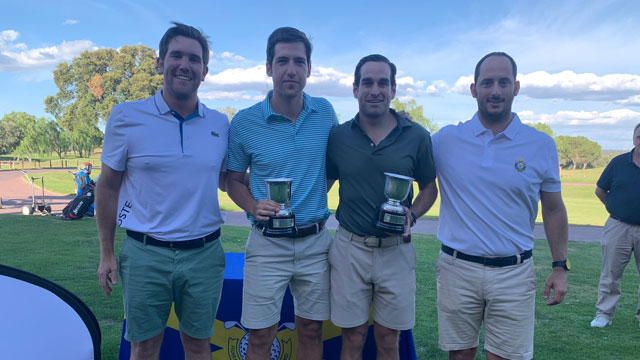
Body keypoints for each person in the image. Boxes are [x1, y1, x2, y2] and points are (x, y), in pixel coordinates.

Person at [96, 22, 228, 360]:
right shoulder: (126, 117)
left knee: (199, 344)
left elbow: (230, 181)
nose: (185, 64)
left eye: (194, 59)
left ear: (205, 71)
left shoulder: (219, 124)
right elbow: (108, 187)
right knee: (144, 346)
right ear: (160, 63)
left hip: (204, 253)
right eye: (176, 55)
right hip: (145, 253)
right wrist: (107, 253)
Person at [431, 52, 569, 360]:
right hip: (457, 268)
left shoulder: (541, 144)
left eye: (503, 82)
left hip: (514, 272)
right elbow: (407, 154)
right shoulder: (446, 139)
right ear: (473, 89)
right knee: (460, 355)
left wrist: (560, 266)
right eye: (487, 82)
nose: (495, 90)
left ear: (516, 87)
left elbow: (554, 209)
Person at [225, 27, 337, 360]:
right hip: (266, 243)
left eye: (299, 62)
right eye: (283, 60)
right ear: (269, 67)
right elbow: (232, 180)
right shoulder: (245, 122)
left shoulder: (326, 113)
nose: (291, 69)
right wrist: (253, 204)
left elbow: (335, 165)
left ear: (309, 69)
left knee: (312, 330)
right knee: (260, 335)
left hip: (316, 243)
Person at [326, 54, 437, 360]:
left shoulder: (416, 136)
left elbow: (429, 188)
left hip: (396, 250)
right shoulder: (337, 136)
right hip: (350, 248)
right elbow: (322, 183)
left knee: (389, 338)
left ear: (393, 89)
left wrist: (411, 215)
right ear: (355, 89)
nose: (375, 89)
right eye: (367, 82)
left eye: (382, 83)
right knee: (352, 336)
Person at [590, 123, 640, 328]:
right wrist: (616, 208)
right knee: (610, 274)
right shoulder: (618, 163)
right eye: (639, 136)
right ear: (634, 139)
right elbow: (601, 191)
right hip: (618, 226)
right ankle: (604, 314)